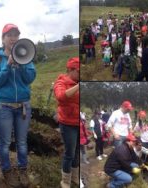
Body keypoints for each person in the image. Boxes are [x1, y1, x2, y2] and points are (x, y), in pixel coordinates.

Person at [0, 24, 36, 187]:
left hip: (23, 105)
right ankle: (7, 171)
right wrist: (8, 65)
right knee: (4, 142)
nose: (13, 38)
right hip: (4, 106)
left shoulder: (25, 54)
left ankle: (23, 169)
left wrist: (22, 64)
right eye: (9, 35)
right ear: (3, 39)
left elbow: (30, 78)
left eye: (16, 35)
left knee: (22, 142)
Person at [53, 57, 79, 188]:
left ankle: (75, 177)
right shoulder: (61, 82)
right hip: (67, 123)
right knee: (70, 153)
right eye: (79, 71)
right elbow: (61, 96)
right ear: (71, 70)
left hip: (78, 123)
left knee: (77, 152)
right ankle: (65, 181)